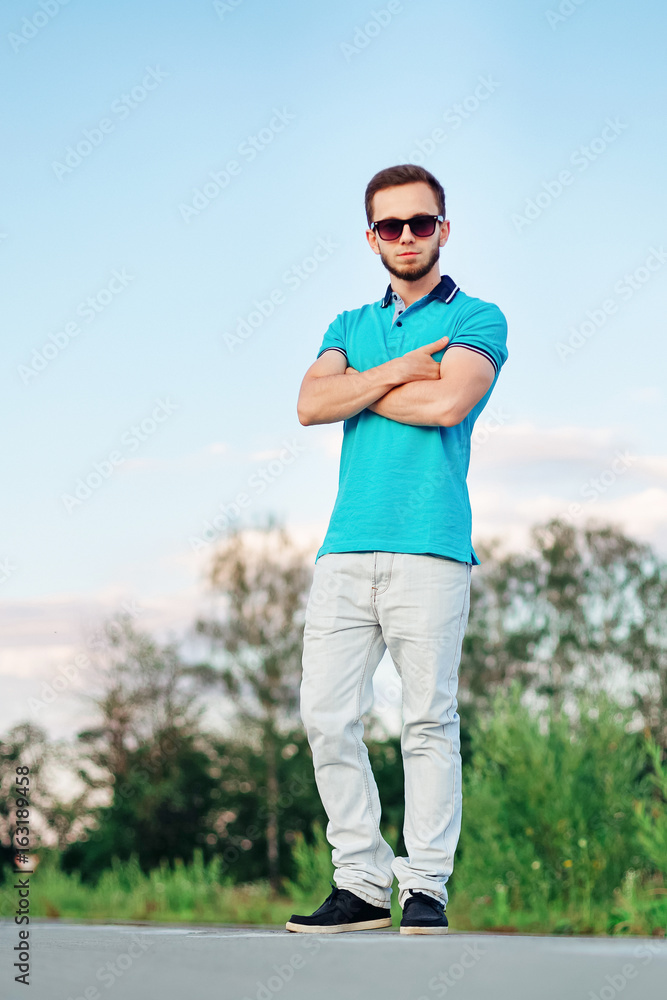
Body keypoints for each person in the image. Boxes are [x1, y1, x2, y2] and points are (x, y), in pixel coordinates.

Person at [286, 164, 508, 935]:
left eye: (420, 223)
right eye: (391, 225)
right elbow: (310, 404)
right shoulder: (348, 324)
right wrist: (403, 369)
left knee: (426, 722)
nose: (406, 236)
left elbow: (448, 401)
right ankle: (358, 883)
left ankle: (426, 888)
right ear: (371, 237)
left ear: (442, 229)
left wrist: (363, 385)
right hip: (344, 551)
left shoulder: (478, 316)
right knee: (325, 716)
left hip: (431, 549)